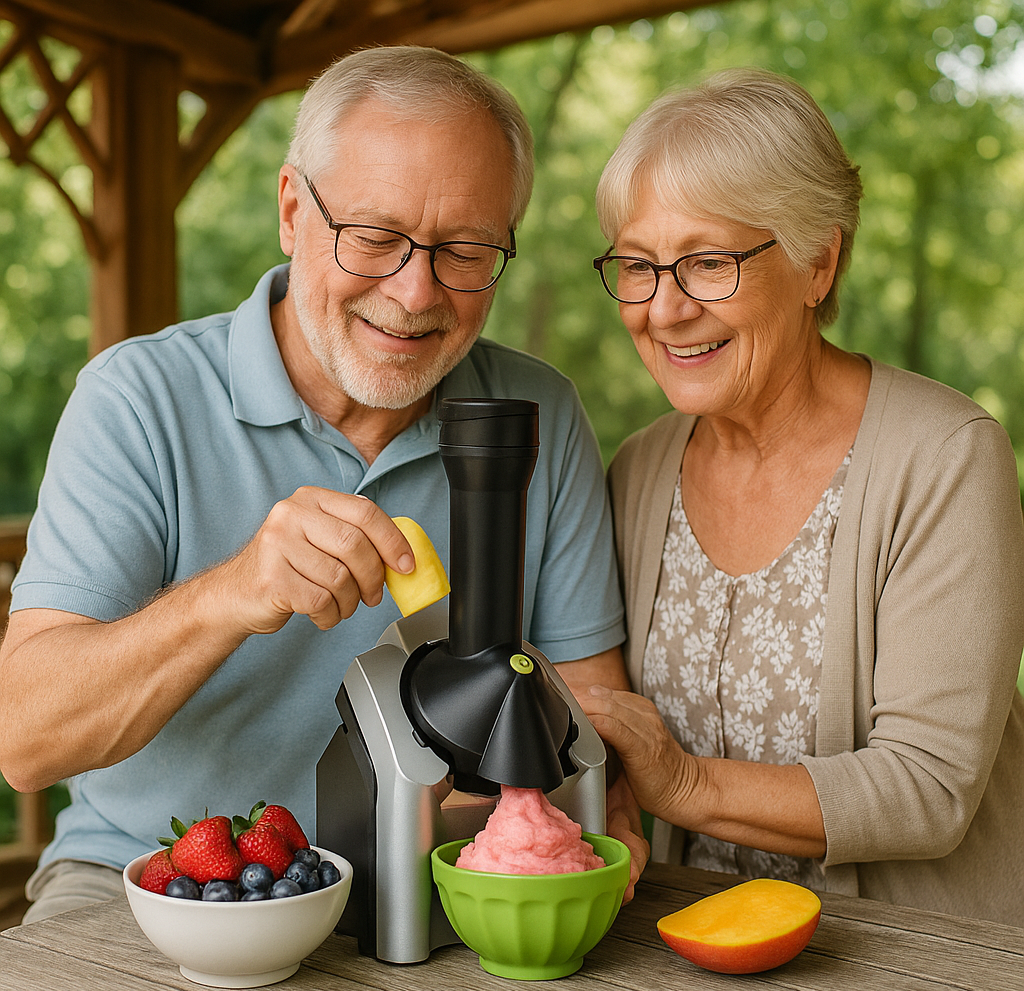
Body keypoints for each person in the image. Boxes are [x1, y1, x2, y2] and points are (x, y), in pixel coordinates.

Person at [0, 45, 647, 923]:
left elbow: (588, 722)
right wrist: (232, 593)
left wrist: (595, 832)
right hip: (158, 889)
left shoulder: (540, 411)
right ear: (293, 211)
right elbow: (25, 741)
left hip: (439, 889)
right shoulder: (137, 400)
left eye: (465, 251)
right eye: (375, 238)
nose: (416, 292)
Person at [576, 67, 1024, 925]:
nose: (663, 310)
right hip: (688, 960)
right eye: (637, 265)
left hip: (919, 975)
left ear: (820, 259)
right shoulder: (637, 469)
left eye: (707, 262)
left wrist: (685, 783)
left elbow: (929, 787)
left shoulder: (945, 458)